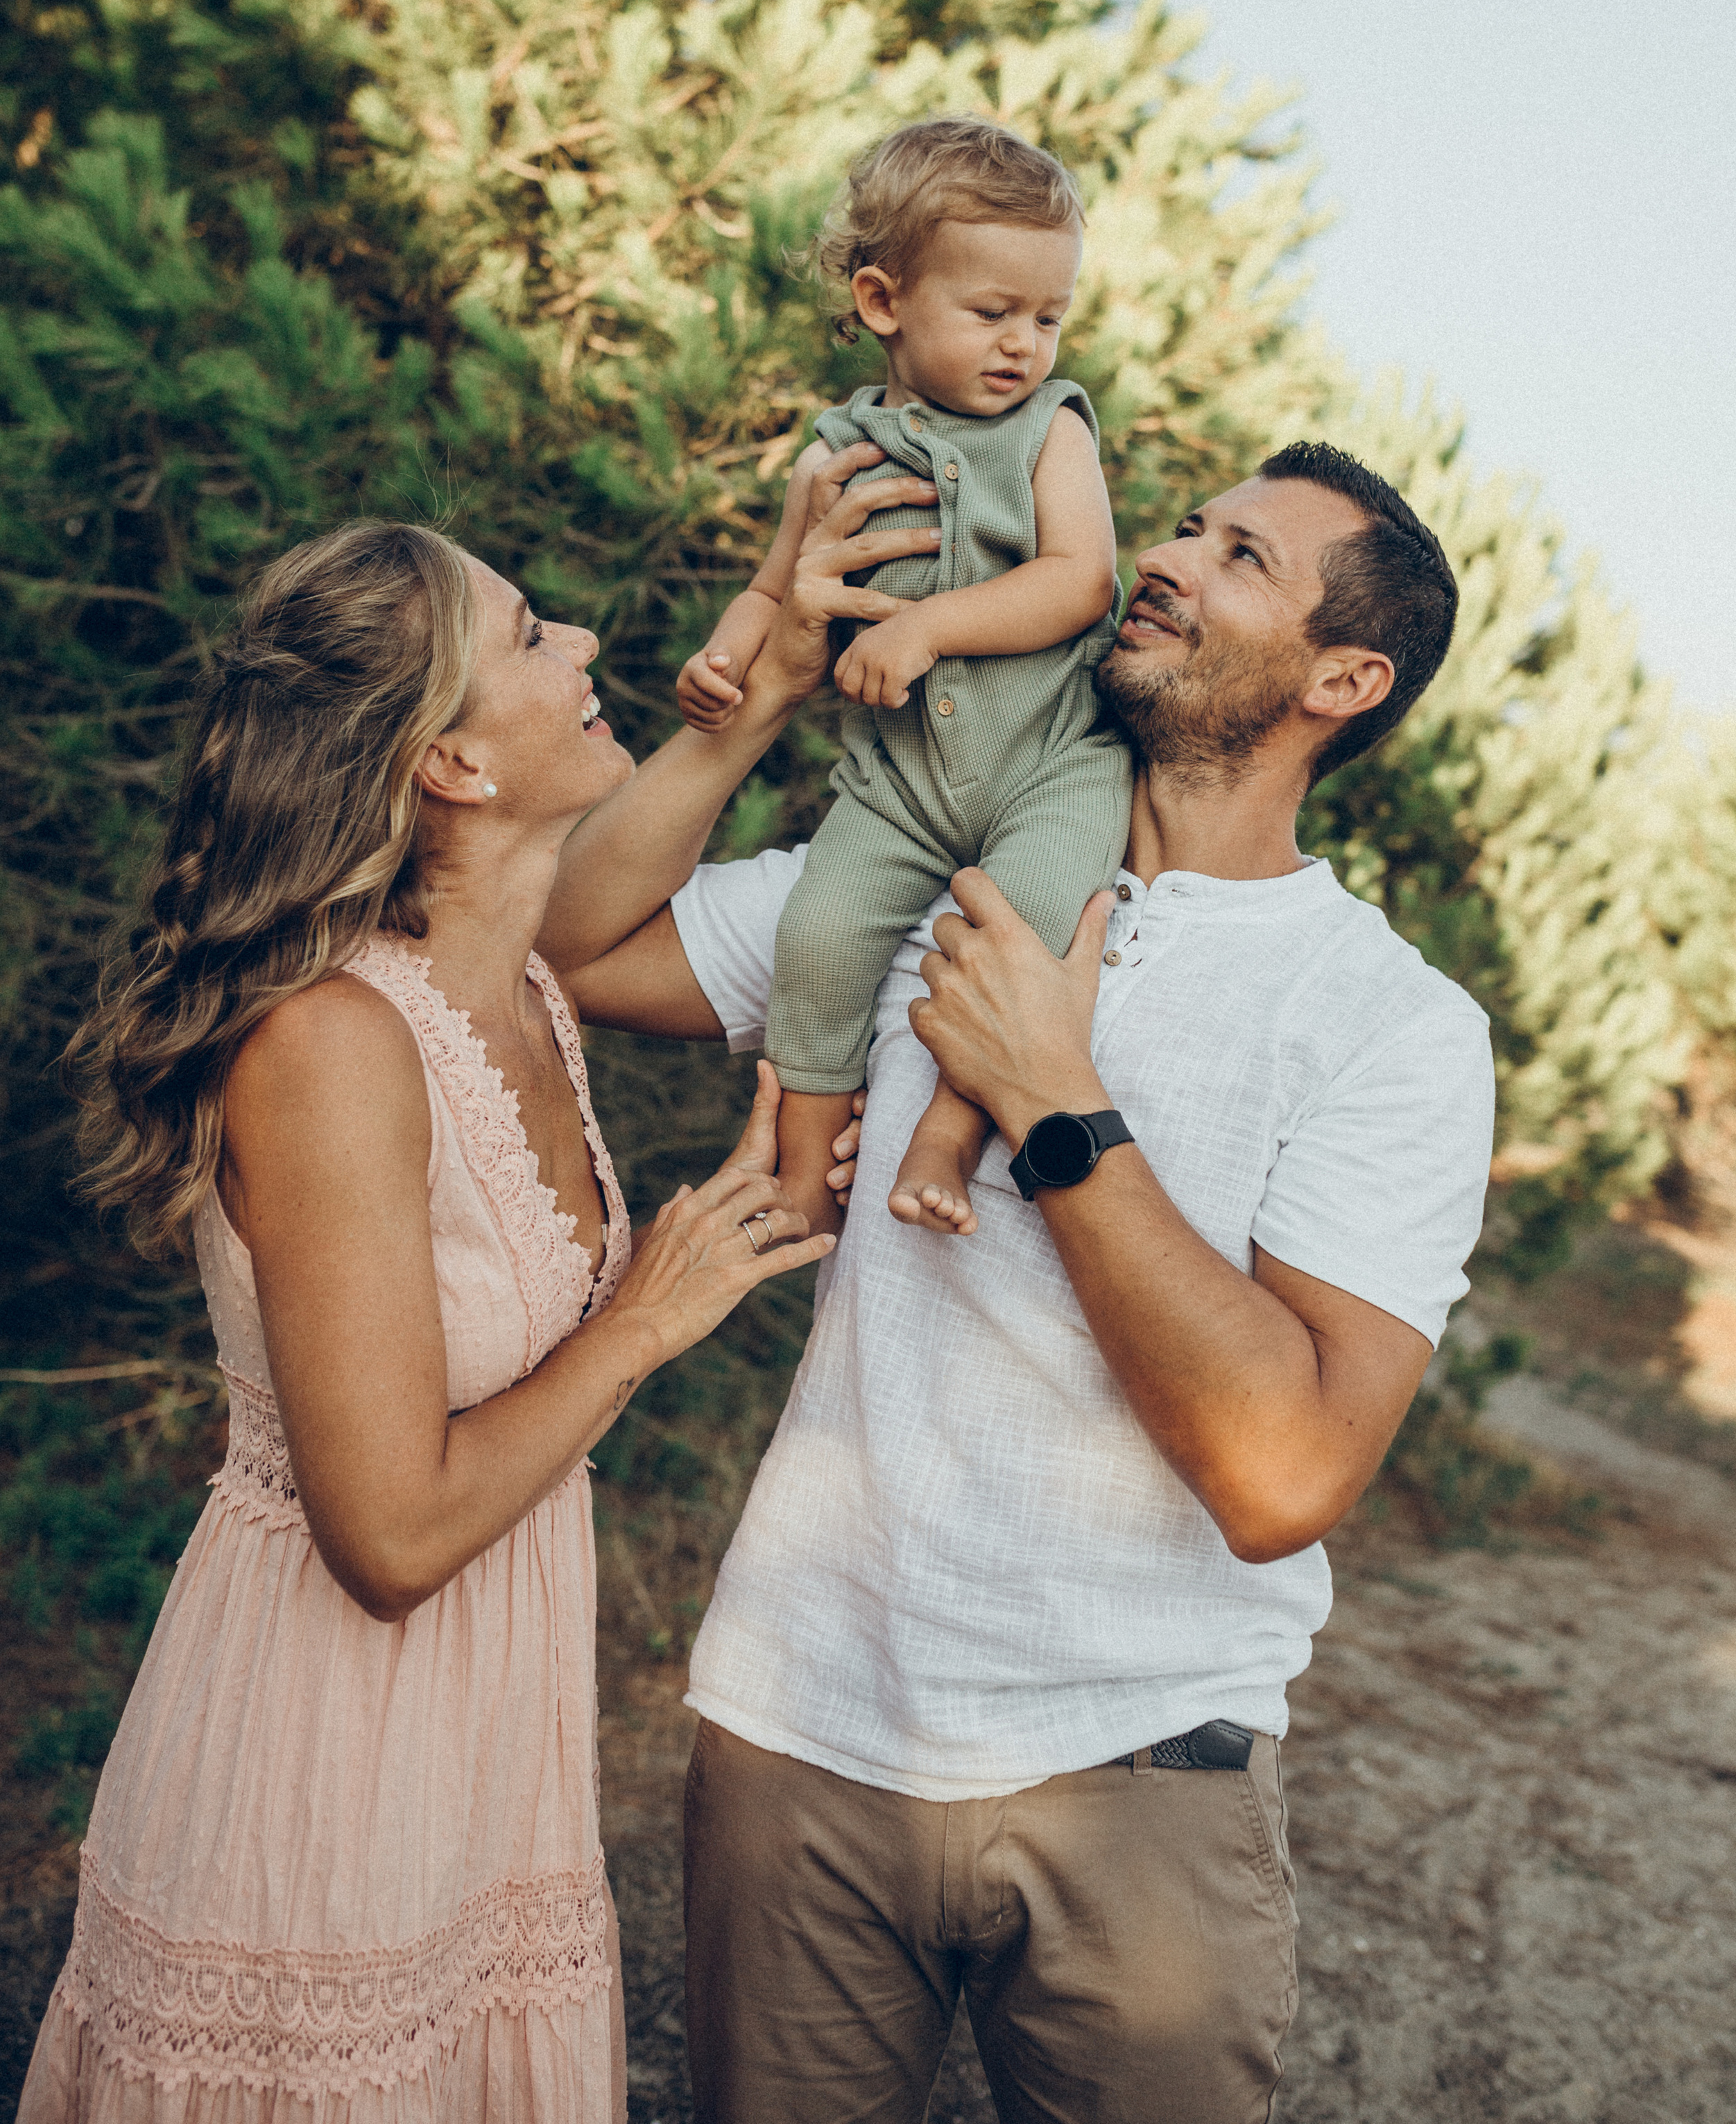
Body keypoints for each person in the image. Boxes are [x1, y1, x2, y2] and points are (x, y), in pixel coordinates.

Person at [571, 441, 1497, 2124]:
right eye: (1184, 525)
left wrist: (1058, 1105)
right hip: (799, 1727)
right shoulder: (927, 871)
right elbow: (570, 946)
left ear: (1342, 679)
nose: (1164, 556)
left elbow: (1283, 1473)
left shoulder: (1389, 1026)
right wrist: (752, 692)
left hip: (1137, 1774)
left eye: (1239, 558)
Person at [20, 476, 926, 2124]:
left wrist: (775, 676)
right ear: (448, 760)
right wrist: (647, 1316)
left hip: (481, 1753)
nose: (580, 636)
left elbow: (593, 927)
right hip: (319, 1748)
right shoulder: (330, 1048)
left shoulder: (517, 993)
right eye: (525, 631)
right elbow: (389, 1535)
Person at [676, 117, 1131, 1242]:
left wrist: (928, 624)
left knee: (1025, 923)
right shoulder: (836, 454)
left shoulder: (1049, 432)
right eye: (993, 314)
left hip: (1048, 765)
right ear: (885, 303)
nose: (1026, 344)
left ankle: (947, 1131)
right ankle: (797, 1173)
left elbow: (1082, 582)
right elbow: (774, 587)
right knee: (818, 941)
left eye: (1049, 317)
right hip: (897, 788)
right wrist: (728, 656)